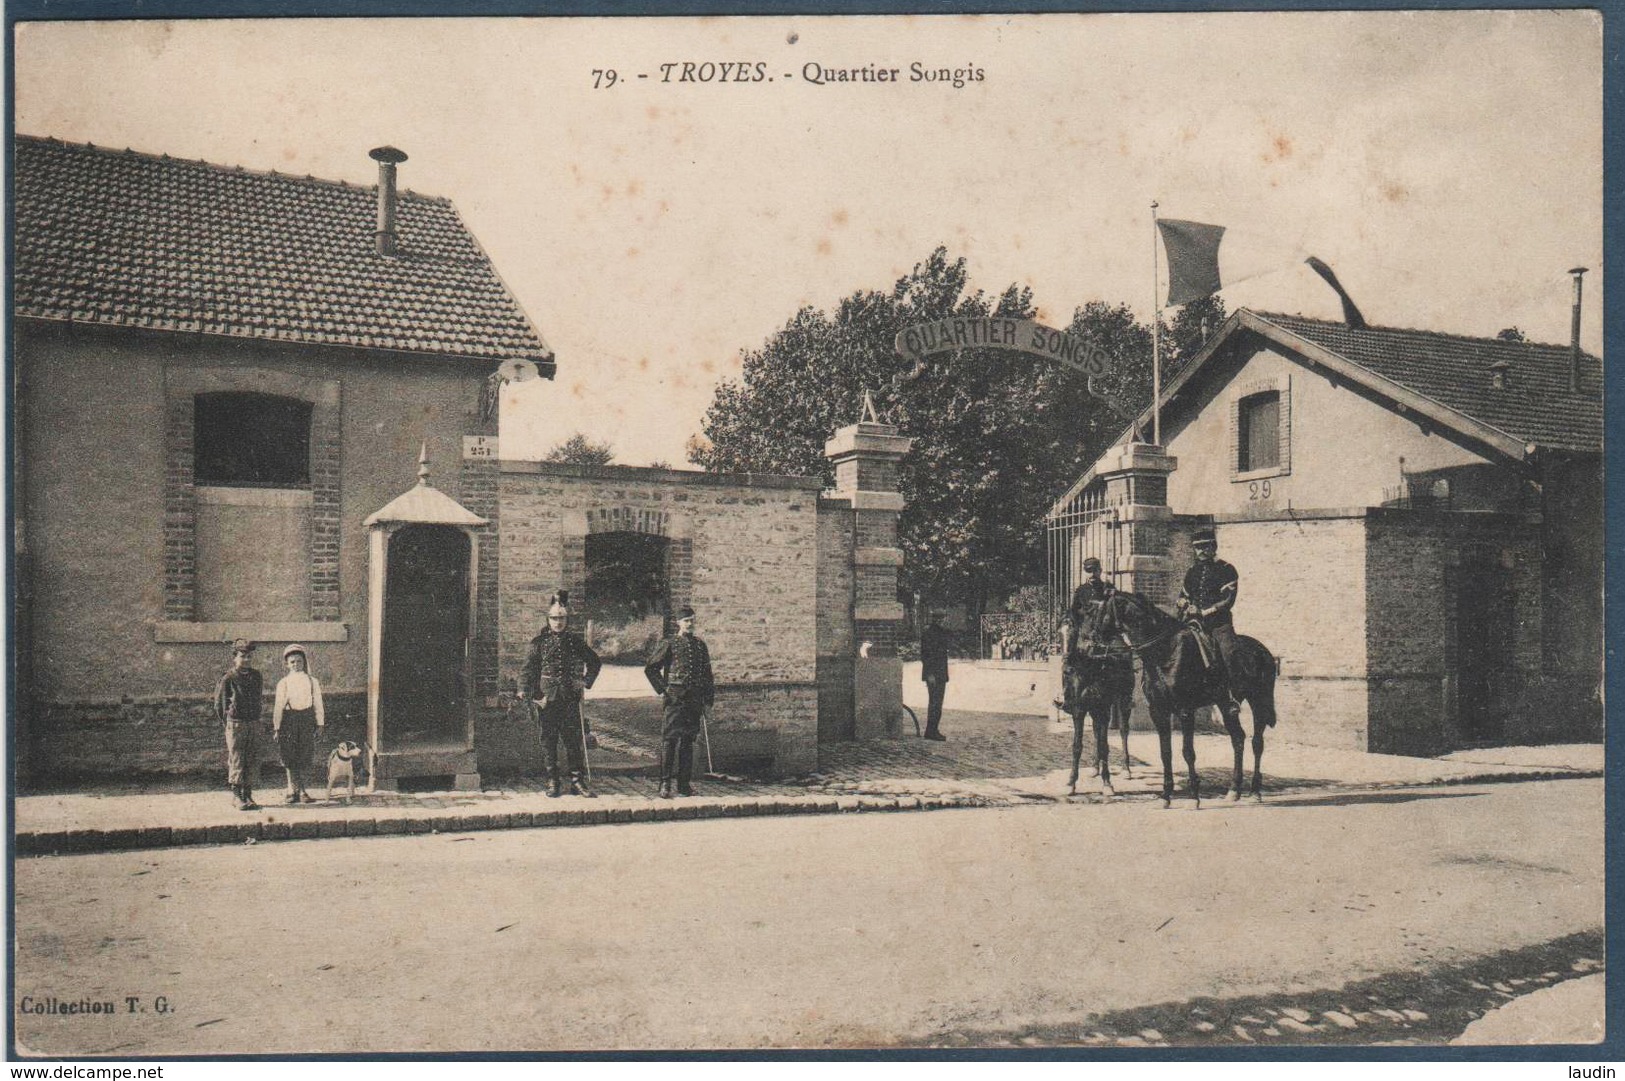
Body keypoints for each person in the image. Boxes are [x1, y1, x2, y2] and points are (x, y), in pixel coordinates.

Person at [520, 591, 602, 798]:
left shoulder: (574, 642)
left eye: (562, 618)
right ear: (548, 620)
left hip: (568, 698)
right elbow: (528, 671)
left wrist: (584, 681)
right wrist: (531, 695)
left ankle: (577, 782)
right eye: (554, 618)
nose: (558, 622)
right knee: (549, 742)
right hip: (546, 699)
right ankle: (552, 781)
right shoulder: (538, 643)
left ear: (567, 620)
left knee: (573, 741)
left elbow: (594, 662)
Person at [644, 605, 714, 798]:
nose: (690, 624)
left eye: (692, 620)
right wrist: (664, 689)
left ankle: (684, 784)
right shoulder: (670, 643)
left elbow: (708, 675)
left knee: (688, 742)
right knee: (670, 741)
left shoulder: (701, 646)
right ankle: (665, 784)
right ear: (678, 623)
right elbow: (651, 668)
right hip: (675, 700)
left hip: (694, 701)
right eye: (686, 620)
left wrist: (708, 702)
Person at [1177, 527, 1240, 678]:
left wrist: (1203, 612)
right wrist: (1184, 604)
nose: (1201, 551)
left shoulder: (1226, 569)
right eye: (1197, 547)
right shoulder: (1192, 571)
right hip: (1193, 624)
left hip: (1218, 625)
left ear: (1214, 547)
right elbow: (1183, 595)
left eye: (1205, 546)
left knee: (1229, 653)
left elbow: (1227, 600)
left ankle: (1232, 693)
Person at [272, 644, 326, 804]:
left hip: (306, 719)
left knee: (304, 754)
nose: (296, 664)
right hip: (289, 720)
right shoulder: (284, 682)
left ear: (304, 662)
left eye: (299, 661)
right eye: (292, 662)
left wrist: (320, 724)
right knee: (289, 754)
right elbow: (278, 706)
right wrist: (277, 727)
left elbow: (318, 703)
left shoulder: (312, 681)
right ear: (287, 664)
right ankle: (291, 789)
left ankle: (302, 790)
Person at [213, 638, 263, 811]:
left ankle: (248, 795)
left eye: (249, 656)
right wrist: (229, 722)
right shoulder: (228, 678)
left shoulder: (256, 676)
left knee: (251, 758)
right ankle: (237, 796)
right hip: (236, 724)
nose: (247, 660)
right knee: (237, 759)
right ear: (235, 657)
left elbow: (258, 698)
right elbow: (220, 705)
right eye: (243, 656)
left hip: (253, 722)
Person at [918, 608, 950, 741]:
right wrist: (930, 674)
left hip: (940, 673)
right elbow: (926, 655)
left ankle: (933, 729)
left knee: (936, 702)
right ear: (938, 619)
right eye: (942, 618)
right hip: (934, 674)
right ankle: (931, 731)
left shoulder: (938, 632)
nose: (943, 620)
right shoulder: (930, 633)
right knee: (935, 703)